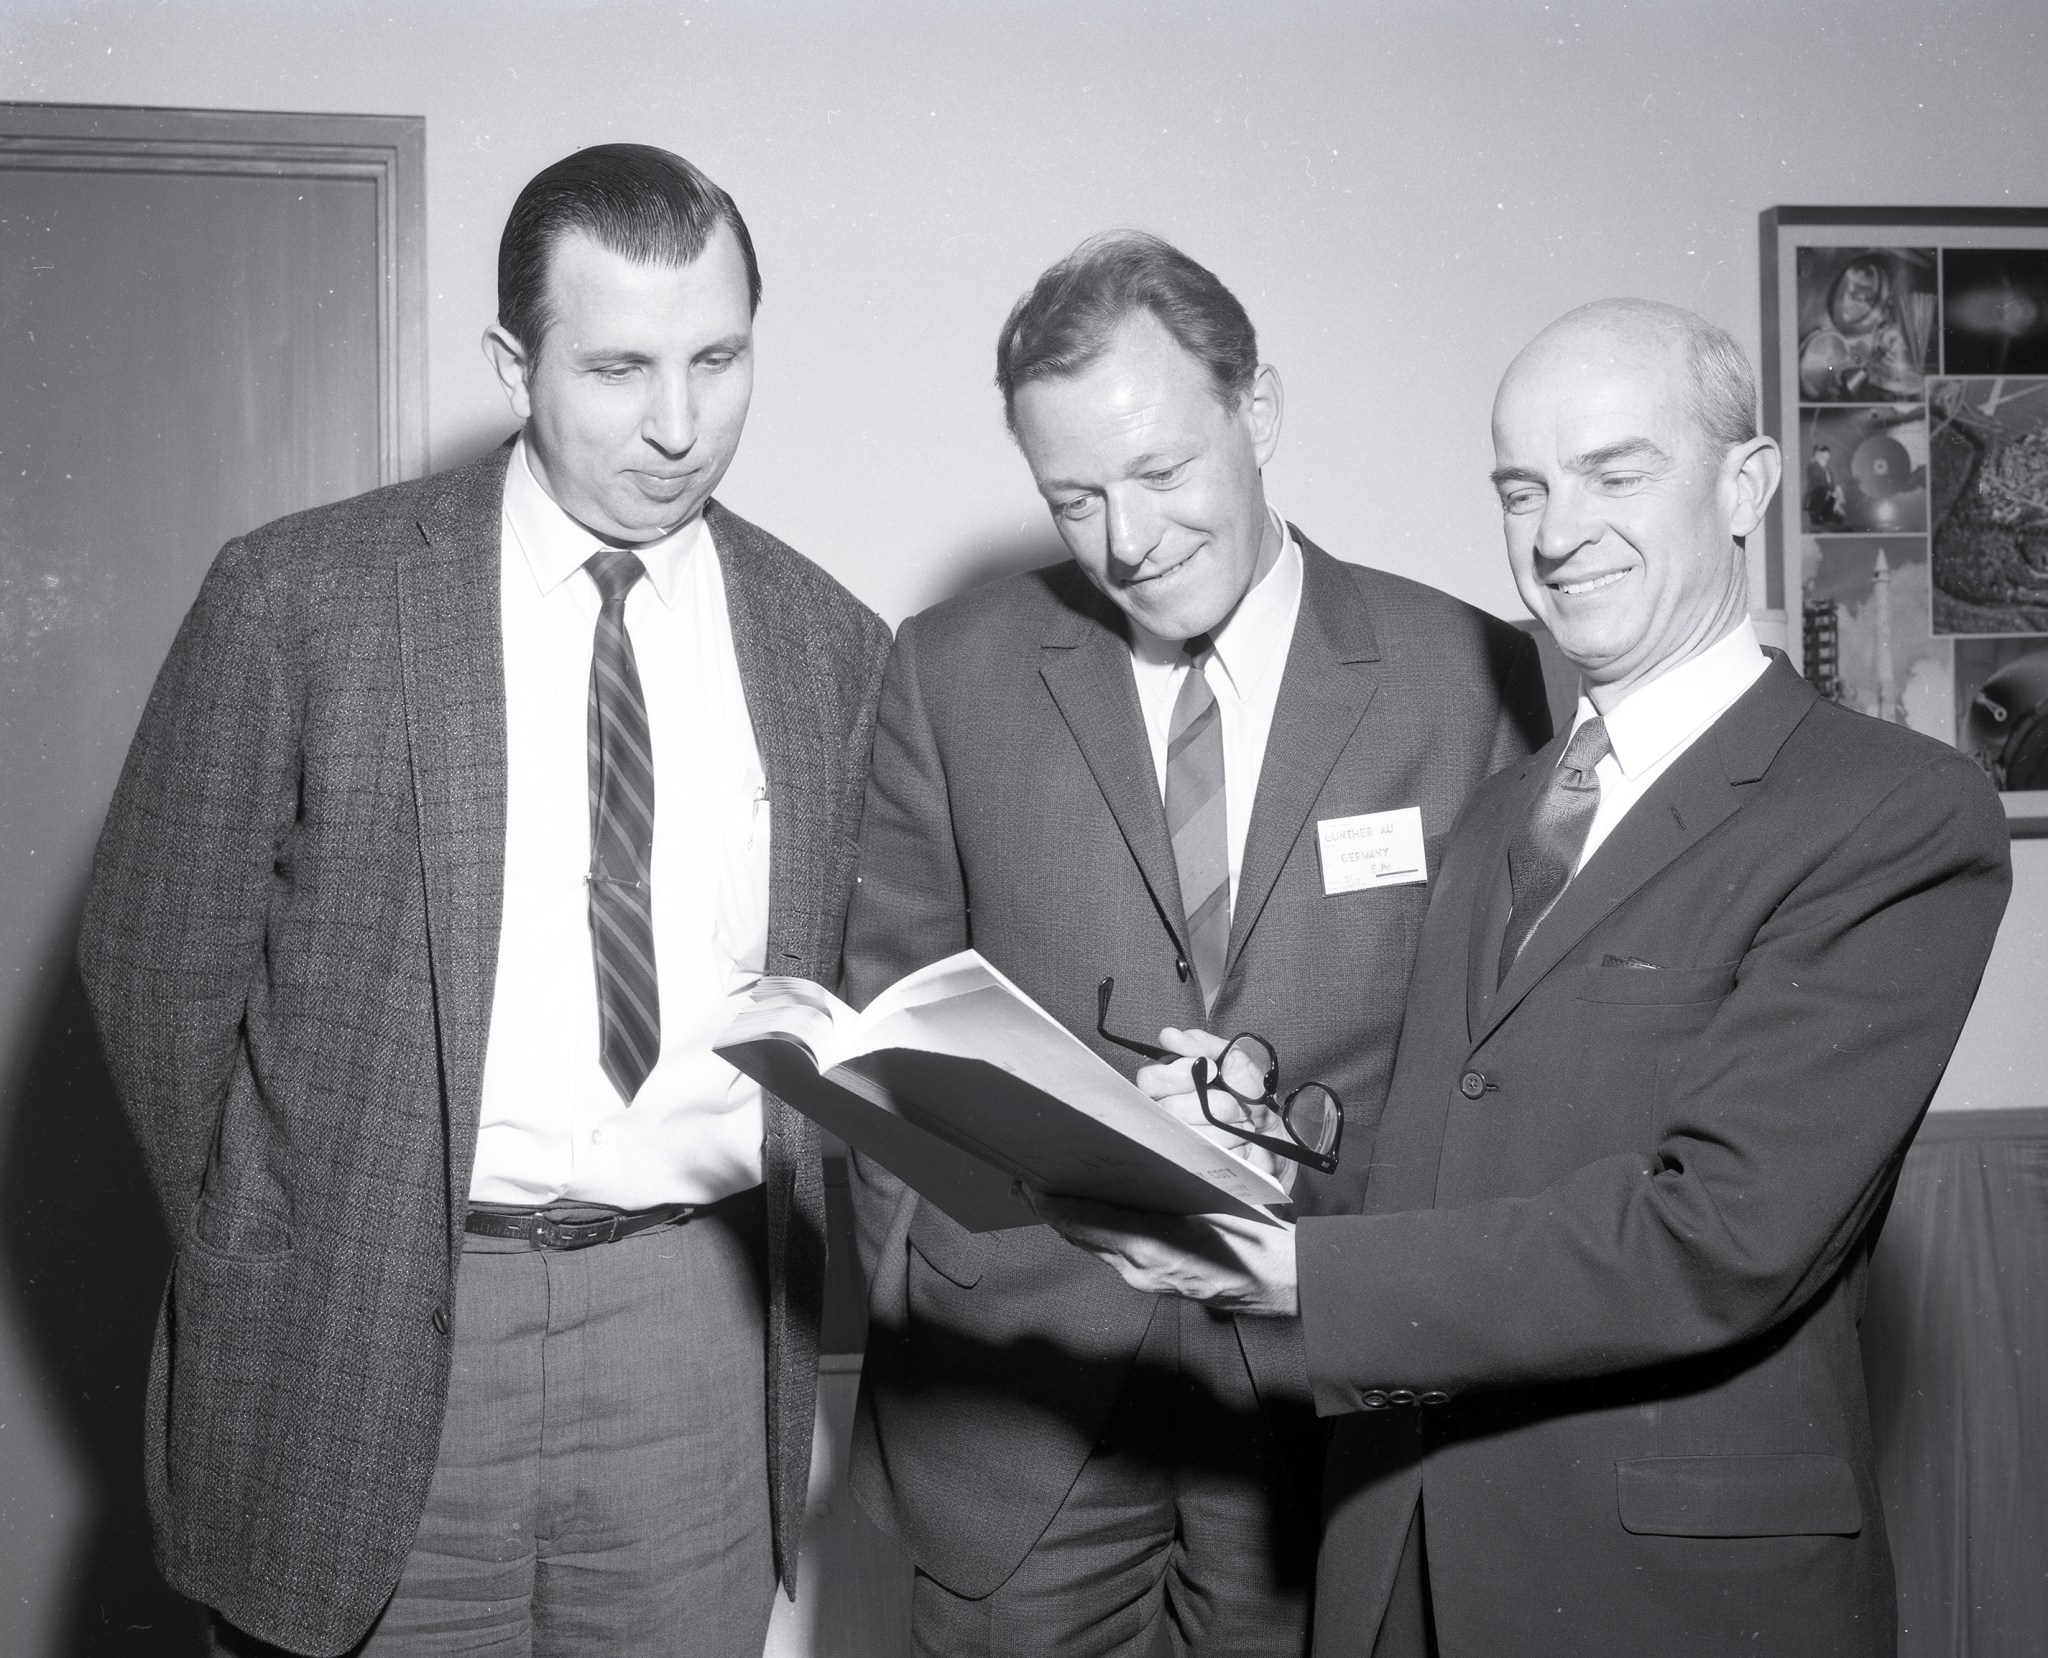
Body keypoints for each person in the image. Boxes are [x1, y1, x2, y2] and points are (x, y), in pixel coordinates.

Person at [1035, 298, 2013, 1656]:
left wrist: (1294, 1272)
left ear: (1748, 485)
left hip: (1672, 1594)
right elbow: (1453, 1161)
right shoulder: (1505, 810)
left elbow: (1719, 1236)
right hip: (1402, 1555)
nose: (1558, 533)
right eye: (1521, 487)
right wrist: (1254, 1134)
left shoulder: (1892, 810)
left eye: (1616, 473)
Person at [79, 144, 889, 1657]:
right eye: (618, 365)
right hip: (364, 1322)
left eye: (718, 357)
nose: (677, 422)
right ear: (512, 363)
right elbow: (151, 967)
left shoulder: (831, 643)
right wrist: (290, 1231)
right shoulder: (302, 598)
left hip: (690, 1335)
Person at [843, 230, 1551, 1657]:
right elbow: (888, 1038)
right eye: (1074, 497)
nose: (1128, 538)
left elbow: (1502, 1068)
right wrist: (927, 1272)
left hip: (1323, 1398)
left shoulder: (1468, 678)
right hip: (1017, 1407)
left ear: (1259, 412)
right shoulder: (948, 667)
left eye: (1161, 473)